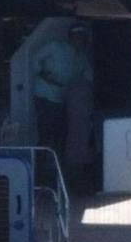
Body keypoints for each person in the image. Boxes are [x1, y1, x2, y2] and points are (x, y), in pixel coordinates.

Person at [33, 24, 92, 178]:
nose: (79, 39)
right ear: (70, 37)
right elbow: (34, 60)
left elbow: (88, 78)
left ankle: (56, 172)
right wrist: (44, 74)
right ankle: (37, 172)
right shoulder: (55, 46)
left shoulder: (82, 58)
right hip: (44, 95)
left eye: (82, 37)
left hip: (63, 100)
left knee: (60, 136)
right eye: (76, 36)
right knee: (45, 134)